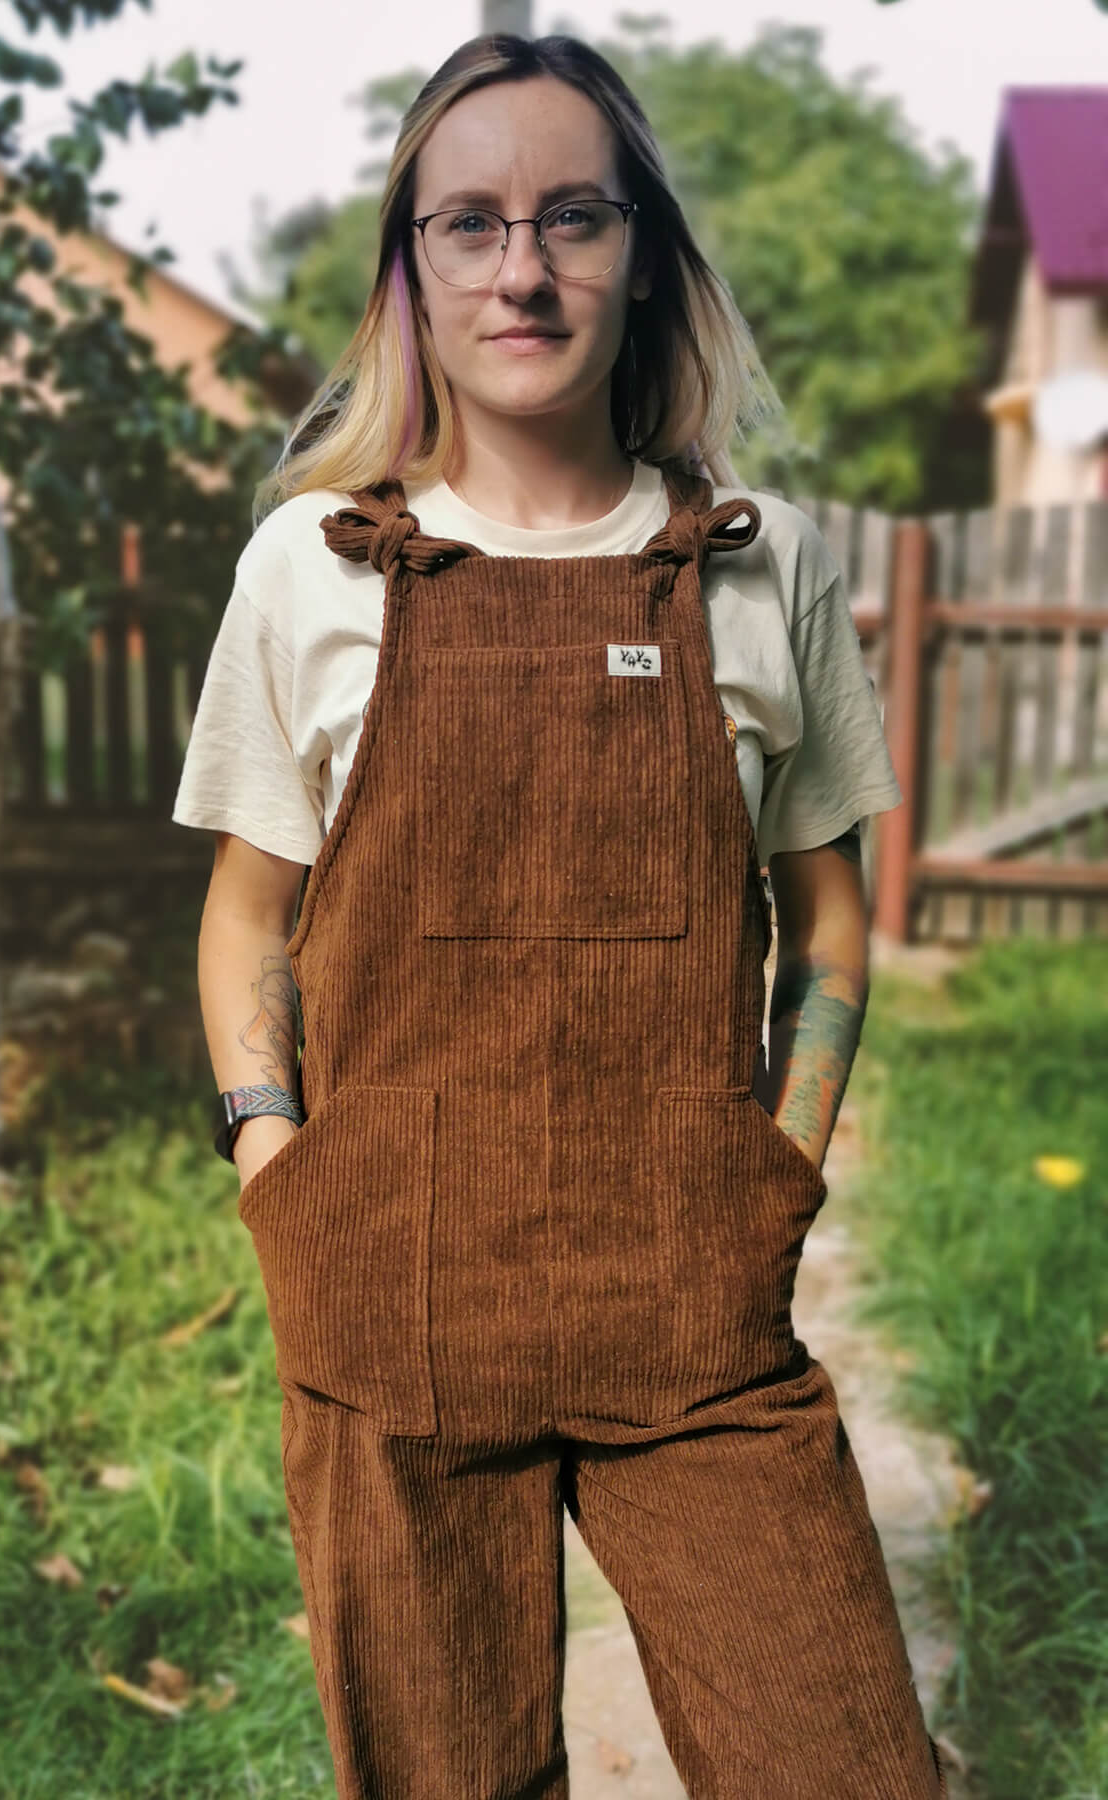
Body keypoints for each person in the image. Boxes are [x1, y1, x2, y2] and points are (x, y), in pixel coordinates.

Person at [172, 30, 948, 1800]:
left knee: (842, 1767)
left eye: (572, 217)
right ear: (413, 269)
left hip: (694, 1308)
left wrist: (782, 1166)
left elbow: (829, 916)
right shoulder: (313, 565)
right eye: (471, 223)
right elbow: (245, 915)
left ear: (642, 254)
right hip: (389, 1300)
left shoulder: (759, 559)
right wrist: (275, 1161)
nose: (521, 269)